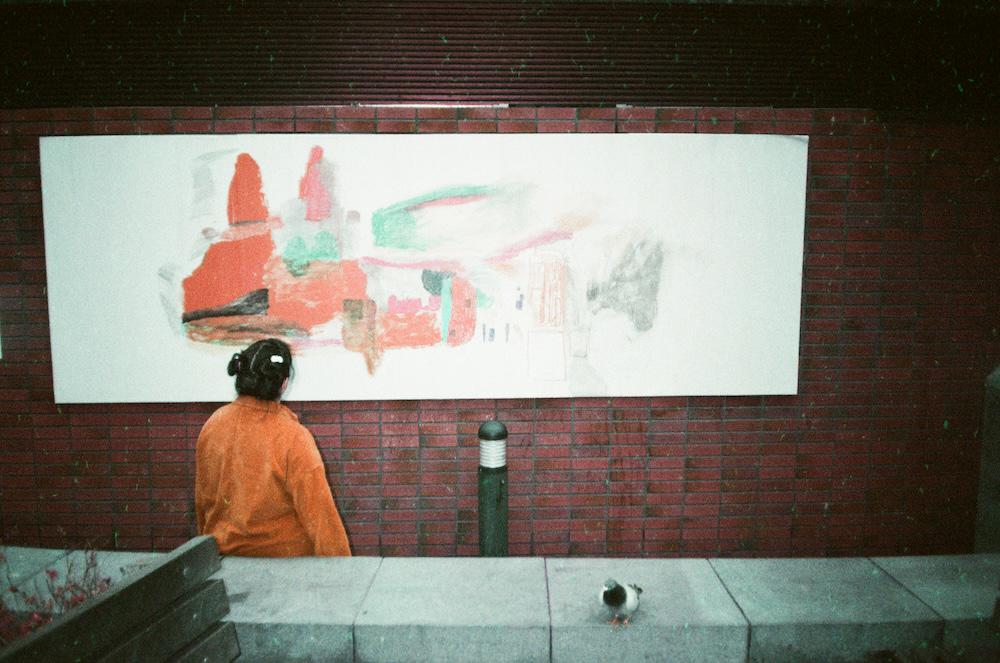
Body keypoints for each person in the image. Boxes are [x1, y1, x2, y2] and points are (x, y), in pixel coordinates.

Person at [195, 338, 351, 557]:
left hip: (223, 560)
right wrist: (344, 570)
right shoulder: (294, 437)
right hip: (285, 567)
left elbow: (203, 504)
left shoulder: (213, 425)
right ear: (284, 383)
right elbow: (322, 520)